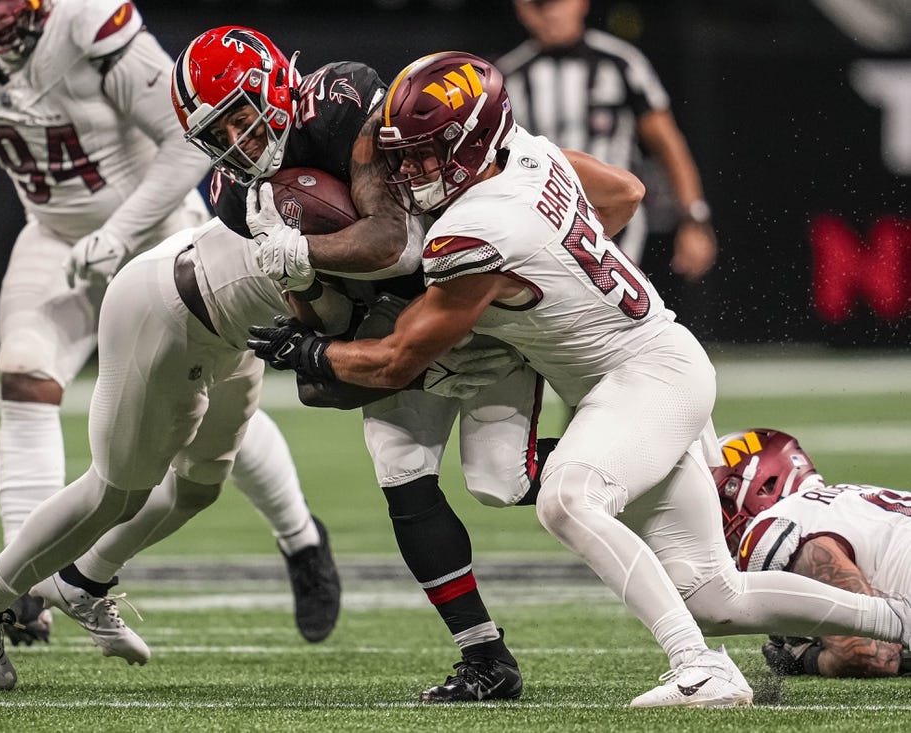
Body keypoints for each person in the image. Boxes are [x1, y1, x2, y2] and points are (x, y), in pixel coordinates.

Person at [246, 51, 911, 708]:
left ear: (477, 140)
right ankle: (897, 619)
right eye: (404, 153)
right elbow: (624, 191)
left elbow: (397, 361)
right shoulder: (530, 154)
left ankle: (701, 670)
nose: (414, 169)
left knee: (567, 498)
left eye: (430, 151)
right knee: (715, 595)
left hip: (643, 376)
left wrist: (310, 353)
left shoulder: (473, 230)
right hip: (651, 368)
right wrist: (554, 282)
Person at [0, 0, 338, 651]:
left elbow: (187, 141)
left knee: (218, 418)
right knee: (25, 376)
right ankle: (24, 590)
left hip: (157, 236)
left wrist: (120, 232)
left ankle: (301, 538)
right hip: (55, 237)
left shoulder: (89, 24)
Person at [171, 26, 554, 702]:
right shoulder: (241, 196)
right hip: (397, 323)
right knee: (401, 469)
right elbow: (331, 315)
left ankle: (650, 462)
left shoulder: (343, 97)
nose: (238, 141)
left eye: (240, 114)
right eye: (218, 132)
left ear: (270, 83)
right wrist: (305, 302)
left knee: (505, 480)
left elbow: (397, 242)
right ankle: (485, 657)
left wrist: (305, 252)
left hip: (466, 299)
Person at [496, 0, 716, 282]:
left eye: (557, 2)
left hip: (614, 218)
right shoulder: (510, 75)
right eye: (539, 5)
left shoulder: (620, 61)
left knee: (602, 314)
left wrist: (694, 219)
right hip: (539, 220)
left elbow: (667, 143)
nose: (551, 13)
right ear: (523, 9)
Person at [713, 428, 911, 678]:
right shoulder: (847, 500)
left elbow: (870, 655)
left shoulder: (776, 526)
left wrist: (806, 660)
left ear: (766, 486)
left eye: (723, 505)